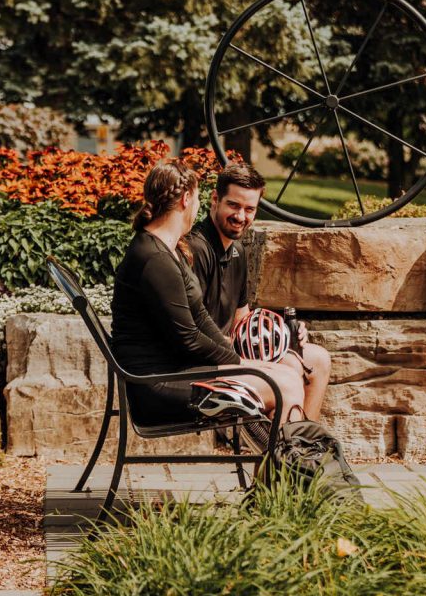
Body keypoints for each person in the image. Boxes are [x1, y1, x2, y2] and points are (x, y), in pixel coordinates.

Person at [110, 158, 307, 426]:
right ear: (186, 199)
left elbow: (200, 317)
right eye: (198, 201)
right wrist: (241, 363)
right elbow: (189, 339)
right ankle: (293, 466)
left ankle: (288, 463)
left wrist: (245, 362)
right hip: (160, 387)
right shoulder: (153, 258)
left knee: (284, 375)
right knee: (284, 385)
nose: (198, 208)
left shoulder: (169, 249)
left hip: (178, 374)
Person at [185, 162, 332, 422]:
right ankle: (288, 456)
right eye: (234, 205)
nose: (241, 216)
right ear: (215, 199)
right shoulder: (196, 249)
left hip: (235, 352)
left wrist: (282, 335)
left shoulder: (237, 250)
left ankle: (304, 445)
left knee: (318, 359)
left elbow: (243, 319)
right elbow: (194, 332)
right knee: (288, 375)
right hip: (208, 362)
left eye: (249, 209)